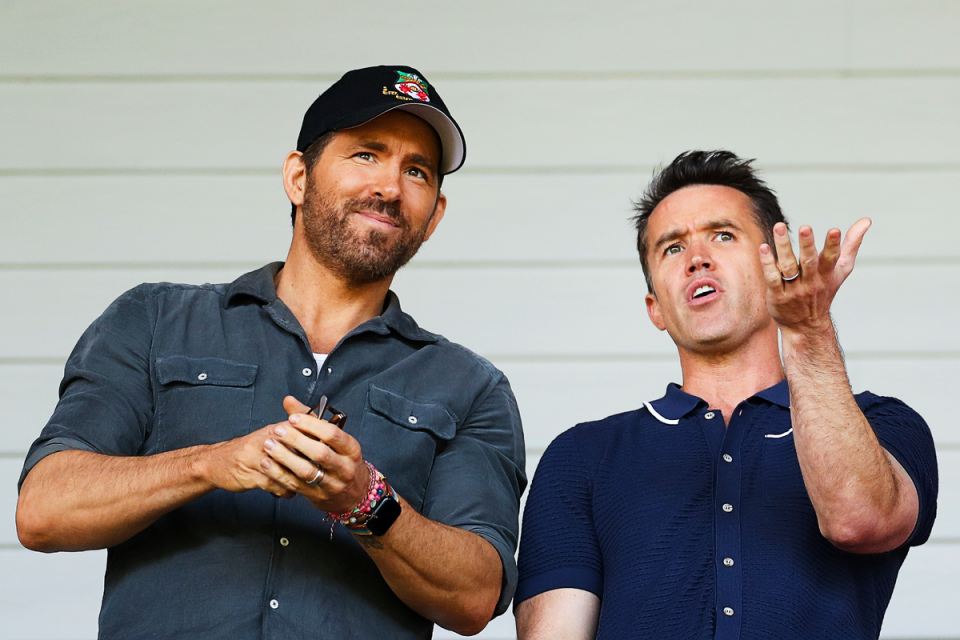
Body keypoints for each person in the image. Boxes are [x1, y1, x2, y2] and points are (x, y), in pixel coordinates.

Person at [16, 65, 526, 640]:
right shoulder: (154, 321)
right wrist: (211, 463)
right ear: (298, 177)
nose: (389, 186)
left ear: (434, 216)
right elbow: (43, 510)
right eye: (366, 154)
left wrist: (366, 499)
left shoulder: (471, 387)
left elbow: (476, 597)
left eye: (417, 171)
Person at [514, 150, 937, 640]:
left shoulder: (883, 425)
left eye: (723, 235)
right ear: (655, 308)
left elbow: (860, 521)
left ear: (779, 266)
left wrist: (808, 330)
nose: (697, 258)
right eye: (672, 248)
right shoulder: (581, 457)